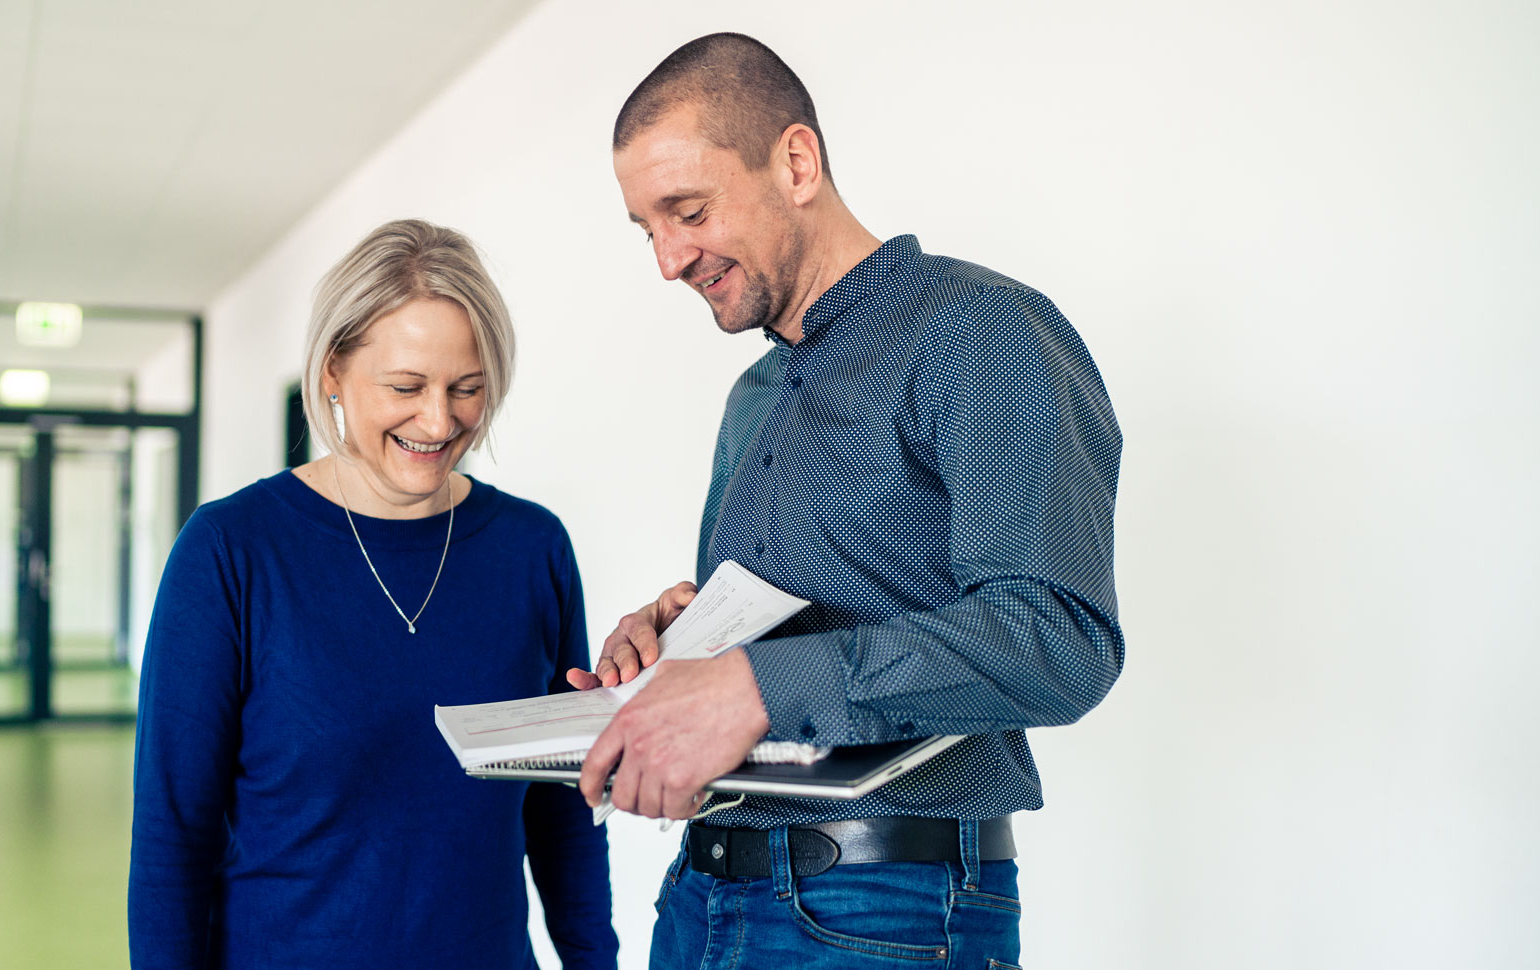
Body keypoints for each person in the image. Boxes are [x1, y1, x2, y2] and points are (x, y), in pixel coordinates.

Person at [568, 34, 1124, 969]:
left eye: (688, 210)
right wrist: (684, 638)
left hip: (885, 911)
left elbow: (1059, 636)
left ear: (796, 162)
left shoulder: (980, 332)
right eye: (646, 228)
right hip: (699, 900)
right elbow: (815, 613)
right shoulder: (751, 399)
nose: (668, 260)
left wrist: (754, 687)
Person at [129, 219, 615, 969]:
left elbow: (563, 812)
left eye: (467, 388)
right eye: (405, 387)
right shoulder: (231, 551)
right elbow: (173, 835)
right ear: (331, 372)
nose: (438, 419)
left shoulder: (532, 549)